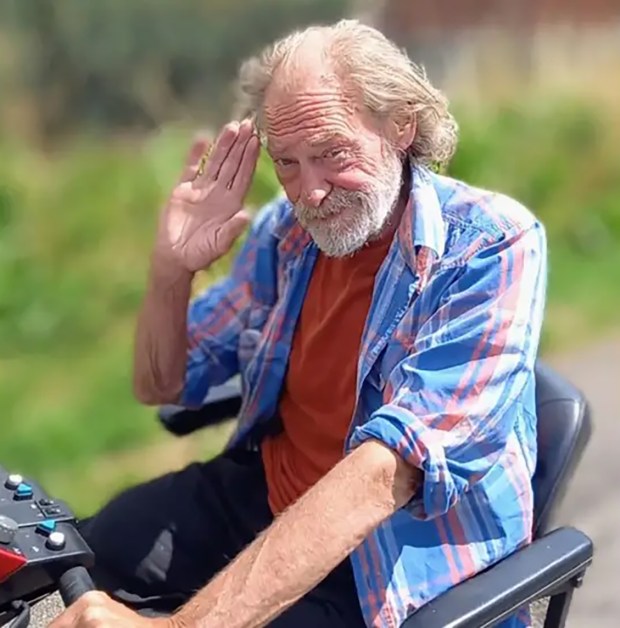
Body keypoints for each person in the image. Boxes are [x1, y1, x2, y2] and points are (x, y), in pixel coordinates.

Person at [50, 19, 547, 628]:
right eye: (286, 163)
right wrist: (170, 271)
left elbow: (385, 473)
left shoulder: (491, 246)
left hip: (387, 555)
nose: (308, 192)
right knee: (91, 549)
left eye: (331, 154)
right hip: (268, 494)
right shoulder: (284, 235)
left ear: (401, 126)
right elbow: (162, 384)